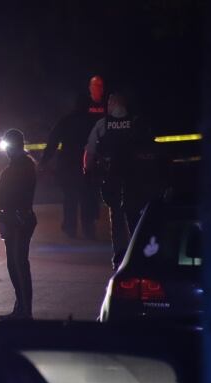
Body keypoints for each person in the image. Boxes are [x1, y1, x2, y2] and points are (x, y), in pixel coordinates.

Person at [84, 91, 158, 269]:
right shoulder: (136, 122)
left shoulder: (103, 124)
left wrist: (88, 171)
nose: (107, 106)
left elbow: (91, 150)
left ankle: (119, 257)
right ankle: (139, 254)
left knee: (116, 218)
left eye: (109, 103)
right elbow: (150, 147)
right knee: (135, 218)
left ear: (115, 104)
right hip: (135, 178)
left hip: (113, 179)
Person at [40, 94, 99, 238]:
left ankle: (70, 228)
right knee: (87, 197)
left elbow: (52, 142)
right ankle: (88, 228)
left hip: (68, 165)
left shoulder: (66, 120)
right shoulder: (93, 121)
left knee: (70, 198)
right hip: (88, 164)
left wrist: (43, 161)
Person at [0, 129, 37, 320]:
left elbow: (15, 197)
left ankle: (24, 310)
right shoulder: (20, 165)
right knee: (15, 264)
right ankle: (20, 307)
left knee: (18, 265)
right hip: (15, 218)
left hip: (18, 221)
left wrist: (5, 216)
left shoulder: (21, 167)